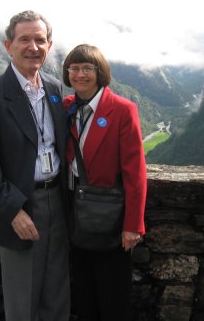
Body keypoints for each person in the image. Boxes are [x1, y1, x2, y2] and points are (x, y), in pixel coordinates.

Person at [0, 10, 70, 321]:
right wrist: (13, 210)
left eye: (40, 40)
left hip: (58, 203)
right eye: (24, 39)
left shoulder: (54, 89)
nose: (33, 47)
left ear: (49, 46)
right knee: (23, 302)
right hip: (22, 206)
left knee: (57, 293)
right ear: (8, 45)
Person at [62, 44, 147, 321]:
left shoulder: (122, 110)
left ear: (100, 73)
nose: (80, 74)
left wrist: (133, 225)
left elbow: (135, 173)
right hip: (75, 214)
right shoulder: (66, 108)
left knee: (113, 298)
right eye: (74, 68)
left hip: (110, 218)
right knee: (84, 295)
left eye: (87, 68)